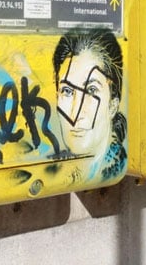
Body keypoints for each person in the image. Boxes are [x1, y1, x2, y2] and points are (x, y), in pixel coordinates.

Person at [52, 29, 126, 180]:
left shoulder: (113, 170)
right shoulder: (53, 172)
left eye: (91, 90)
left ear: (113, 105)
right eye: (67, 91)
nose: (76, 114)